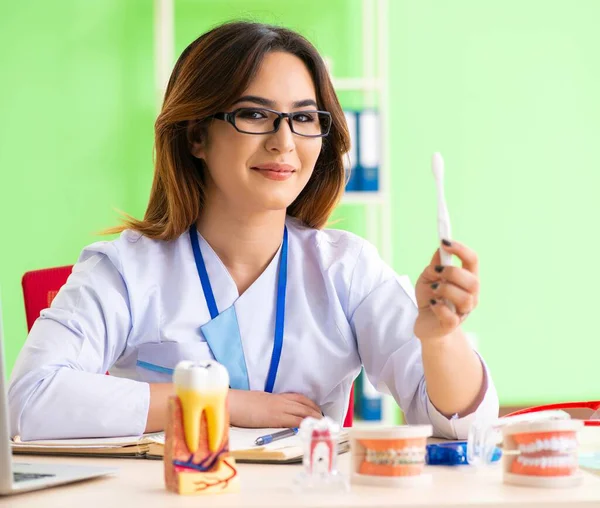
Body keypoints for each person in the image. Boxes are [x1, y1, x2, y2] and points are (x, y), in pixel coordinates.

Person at [9, 21, 498, 441]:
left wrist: (441, 341)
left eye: (304, 117)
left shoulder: (346, 268)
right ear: (197, 135)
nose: (284, 141)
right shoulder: (125, 269)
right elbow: (29, 399)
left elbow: (464, 427)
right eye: (255, 114)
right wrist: (223, 403)